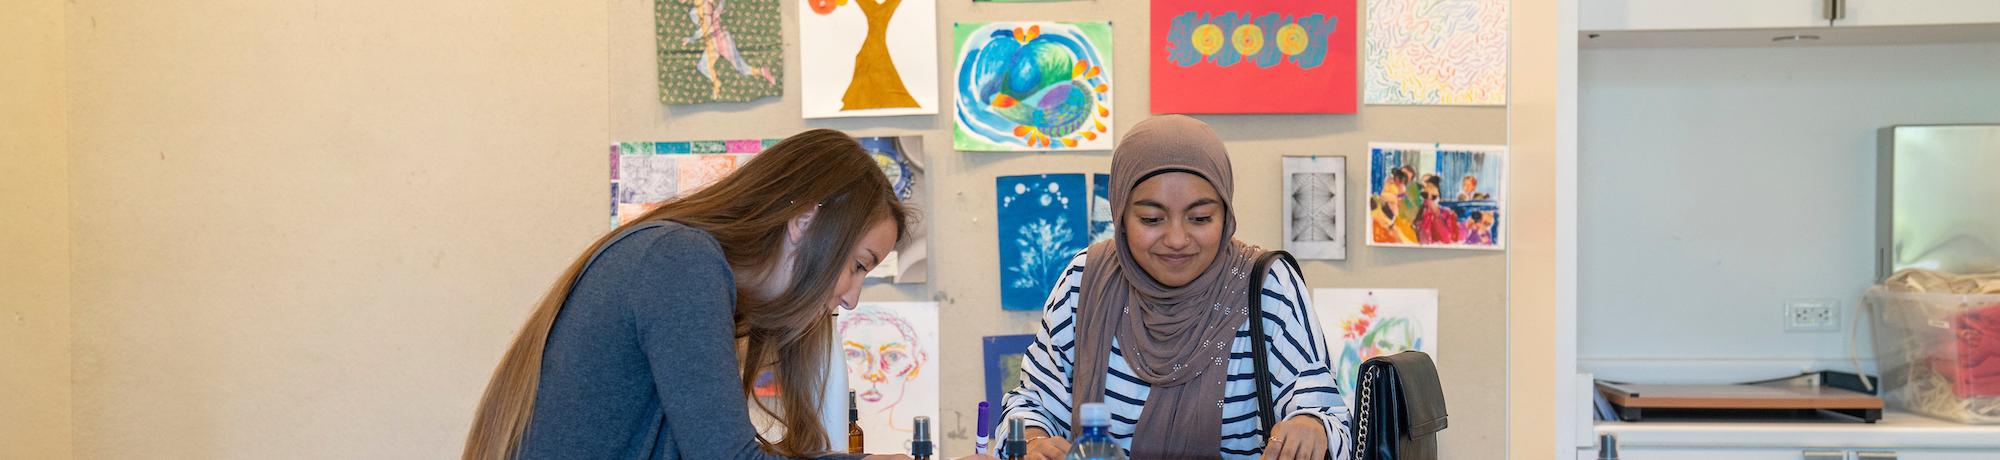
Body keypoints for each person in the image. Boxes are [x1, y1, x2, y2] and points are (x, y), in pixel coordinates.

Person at [464, 129, 914, 460]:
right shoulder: (679, 261)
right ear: (806, 223)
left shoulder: (678, 262)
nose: (853, 297)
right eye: (858, 266)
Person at [997, 115, 1352, 460]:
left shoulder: (1265, 287)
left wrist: (1312, 426)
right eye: (1151, 219)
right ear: (1120, 215)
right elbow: (1030, 402)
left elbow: (1330, 419)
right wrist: (1031, 438)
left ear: (1226, 214)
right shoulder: (1086, 282)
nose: (1177, 239)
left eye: (1200, 218)